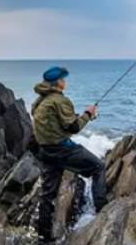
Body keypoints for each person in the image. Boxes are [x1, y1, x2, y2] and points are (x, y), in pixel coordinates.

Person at [31, 66, 107, 245]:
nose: (65, 81)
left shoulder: (41, 101)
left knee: (47, 195)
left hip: (46, 152)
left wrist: (76, 116)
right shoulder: (59, 100)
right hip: (63, 150)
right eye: (63, 79)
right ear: (57, 82)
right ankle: (102, 210)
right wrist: (88, 114)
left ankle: (44, 238)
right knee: (99, 167)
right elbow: (73, 128)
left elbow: (56, 123)